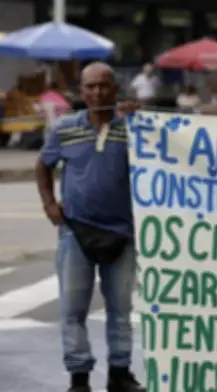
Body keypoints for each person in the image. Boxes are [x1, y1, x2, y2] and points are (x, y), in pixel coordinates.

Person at [35, 62, 145, 392]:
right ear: (81, 92)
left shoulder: (133, 128)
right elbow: (43, 165)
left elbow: (163, 156)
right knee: (72, 311)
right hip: (76, 232)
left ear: (115, 89)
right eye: (90, 86)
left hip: (122, 233)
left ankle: (120, 373)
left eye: (103, 85)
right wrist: (49, 203)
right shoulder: (66, 128)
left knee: (120, 311)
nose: (97, 92)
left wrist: (141, 119)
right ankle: (79, 378)